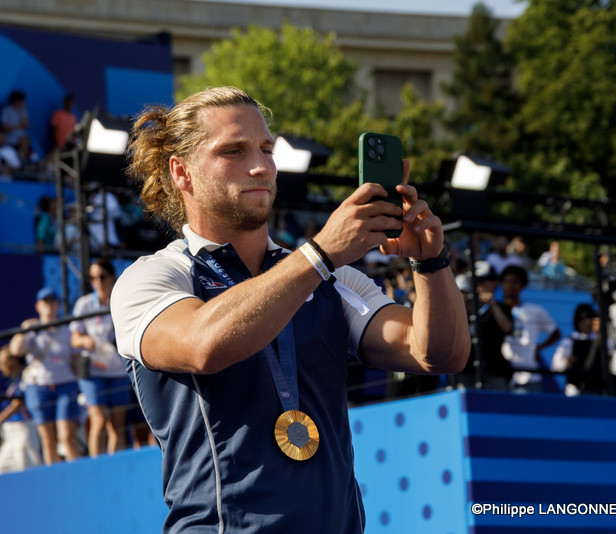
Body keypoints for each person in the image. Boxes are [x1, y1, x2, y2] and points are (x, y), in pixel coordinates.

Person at [110, 86, 469, 533]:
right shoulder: (152, 277)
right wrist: (319, 255)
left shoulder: (331, 277)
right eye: (234, 152)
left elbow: (437, 353)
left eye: (265, 149)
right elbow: (204, 344)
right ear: (182, 172)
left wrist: (430, 263)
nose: (260, 166)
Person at [9, 287, 83, 464]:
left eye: (52, 301)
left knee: (67, 436)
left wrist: (79, 383)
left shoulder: (67, 329)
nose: (49, 305)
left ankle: (79, 474)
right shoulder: (31, 330)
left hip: (66, 384)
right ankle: (55, 478)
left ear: (58, 304)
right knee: (48, 440)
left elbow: (76, 358)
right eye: (45, 301)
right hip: (38, 386)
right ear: (38, 306)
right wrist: (24, 330)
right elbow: (15, 350)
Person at [70, 258, 131, 456]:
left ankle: (118, 466)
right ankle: (96, 466)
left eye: (101, 277)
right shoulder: (84, 304)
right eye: (93, 278)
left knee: (117, 425)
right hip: (92, 371)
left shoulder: (123, 299)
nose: (97, 281)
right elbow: (74, 338)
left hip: (118, 370)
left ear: (112, 277)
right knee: (97, 421)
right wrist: (84, 341)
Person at [499, 265, 562, 393]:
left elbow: (556, 333)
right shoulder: (495, 310)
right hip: (500, 375)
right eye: (507, 281)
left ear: (523, 285)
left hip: (529, 377)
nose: (510, 286)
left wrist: (538, 348)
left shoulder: (535, 310)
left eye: (515, 282)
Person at [455, 261, 514, 390]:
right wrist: (464, 303)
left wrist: (492, 303)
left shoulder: (502, 307)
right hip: (467, 369)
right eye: (475, 281)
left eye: (483, 281)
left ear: (494, 283)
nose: (479, 285)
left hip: (495, 369)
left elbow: (508, 328)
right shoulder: (466, 307)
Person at [0, 345, 42, 473]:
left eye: (4, 362)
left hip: (24, 429)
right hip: (9, 432)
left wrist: (1, 417)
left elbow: (18, 403)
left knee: (29, 470)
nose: (1, 367)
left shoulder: (25, 376)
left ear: (15, 361)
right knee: (3, 469)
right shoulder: (12, 382)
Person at [551, 303, 602, 397]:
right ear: (577, 321)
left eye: (590, 319)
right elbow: (556, 366)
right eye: (583, 320)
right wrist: (567, 362)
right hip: (575, 389)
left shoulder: (600, 340)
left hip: (597, 389)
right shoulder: (569, 341)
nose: (587, 323)